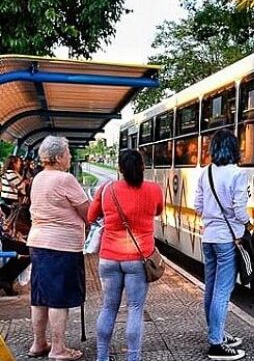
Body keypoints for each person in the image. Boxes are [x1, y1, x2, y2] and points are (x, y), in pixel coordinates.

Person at [88, 149, 163, 361]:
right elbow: (158, 211)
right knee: (135, 308)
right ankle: (133, 357)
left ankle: (102, 357)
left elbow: (91, 216)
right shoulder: (154, 190)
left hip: (109, 258)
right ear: (143, 167)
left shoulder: (106, 189)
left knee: (109, 307)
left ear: (119, 168)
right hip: (139, 260)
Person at [27, 136, 89, 360]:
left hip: (37, 243)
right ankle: (58, 348)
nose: (70, 156)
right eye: (68, 153)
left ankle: (38, 343)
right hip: (61, 247)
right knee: (58, 298)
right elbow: (86, 211)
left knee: (40, 296)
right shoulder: (65, 179)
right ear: (59, 156)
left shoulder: (38, 178)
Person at [194, 129, 250, 361]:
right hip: (228, 239)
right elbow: (239, 209)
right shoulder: (238, 174)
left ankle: (216, 334)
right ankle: (216, 343)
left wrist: (213, 217)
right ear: (234, 148)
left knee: (211, 288)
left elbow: (198, 205)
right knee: (222, 292)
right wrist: (248, 223)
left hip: (209, 238)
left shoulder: (205, 173)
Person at [0, 155, 30, 296]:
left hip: (10, 223)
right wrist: (25, 182)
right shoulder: (11, 174)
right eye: (19, 162)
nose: (21, 164)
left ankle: (6, 279)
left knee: (20, 250)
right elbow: (22, 187)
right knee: (26, 253)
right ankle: (4, 278)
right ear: (13, 163)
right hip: (11, 210)